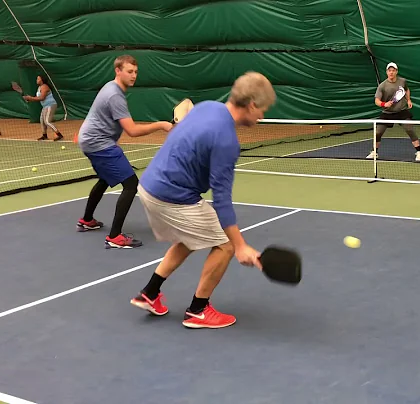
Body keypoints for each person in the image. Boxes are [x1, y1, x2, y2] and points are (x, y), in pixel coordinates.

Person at [129, 71, 276, 329]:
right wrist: (240, 245)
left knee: (192, 235)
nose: (262, 116)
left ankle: (149, 293)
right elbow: (222, 201)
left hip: (150, 185)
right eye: (262, 109)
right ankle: (198, 310)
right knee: (224, 244)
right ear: (252, 104)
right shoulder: (226, 141)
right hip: (171, 195)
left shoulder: (208, 107)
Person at [76, 55, 172, 248]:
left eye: (136, 72)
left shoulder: (111, 88)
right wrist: (161, 125)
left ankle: (87, 220)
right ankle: (115, 237)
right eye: (129, 71)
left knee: (104, 179)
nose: (134, 75)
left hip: (91, 140)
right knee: (131, 184)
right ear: (118, 71)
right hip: (98, 143)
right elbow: (132, 131)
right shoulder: (115, 96)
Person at [367, 62, 420, 162]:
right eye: (389, 70)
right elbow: (376, 101)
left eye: (393, 70)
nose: (391, 72)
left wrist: (408, 100)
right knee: (378, 132)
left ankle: (419, 152)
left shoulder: (402, 81)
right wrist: (384, 104)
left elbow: (406, 90)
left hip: (401, 111)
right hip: (388, 113)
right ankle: (374, 152)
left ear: (396, 72)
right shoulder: (382, 86)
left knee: (409, 129)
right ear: (387, 72)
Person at [23, 75, 64, 141]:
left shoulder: (44, 87)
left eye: (38, 79)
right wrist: (30, 99)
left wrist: (30, 98)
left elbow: (42, 98)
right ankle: (44, 136)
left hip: (50, 105)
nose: (37, 80)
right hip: (45, 106)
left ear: (42, 80)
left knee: (47, 121)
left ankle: (59, 135)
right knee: (42, 121)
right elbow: (37, 98)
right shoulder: (39, 87)